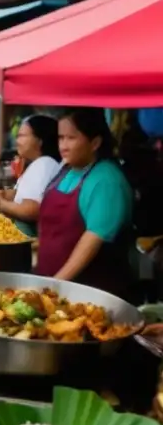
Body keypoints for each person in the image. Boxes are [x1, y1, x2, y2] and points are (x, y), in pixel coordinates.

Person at [35, 108, 134, 297]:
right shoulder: (66, 170)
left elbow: (92, 240)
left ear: (95, 142)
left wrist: (53, 287)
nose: (63, 146)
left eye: (71, 138)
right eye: (60, 138)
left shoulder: (106, 180)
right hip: (53, 285)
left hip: (91, 295)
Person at [0, 115, 61, 238]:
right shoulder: (40, 164)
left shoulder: (44, 164)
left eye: (22, 136)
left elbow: (31, 210)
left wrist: (4, 205)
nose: (17, 141)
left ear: (39, 141)